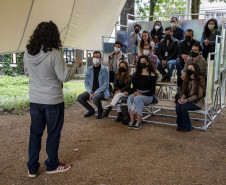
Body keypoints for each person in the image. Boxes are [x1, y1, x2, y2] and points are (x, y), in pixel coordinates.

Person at [24, 21, 82, 177]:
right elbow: (64, 76)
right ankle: (52, 165)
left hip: (35, 99)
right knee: (53, 133)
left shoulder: (27, 53)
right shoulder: (54, 54)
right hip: (52, 101)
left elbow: (27, 73)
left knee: (35, 133)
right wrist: (76, 66)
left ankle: (32, 167)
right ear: (53, 35)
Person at [77, 51, 110, 119]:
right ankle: (91, 110)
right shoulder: (89, 69)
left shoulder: (105, 69)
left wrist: (94, 93)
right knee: (80, 98)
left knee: (95, 97)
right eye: (94, 57)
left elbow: (106, 84)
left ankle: (100, 111)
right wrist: (90, 92)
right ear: (92, 58)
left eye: (97, 57)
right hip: (91, 91)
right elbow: (86, 83)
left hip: (102, 91)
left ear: (100, 58)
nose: (95, 58)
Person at [127, 55, 157, 129]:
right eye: (140, 62)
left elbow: (152, 91)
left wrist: (141, 94)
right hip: (137, 93)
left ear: (147, 63)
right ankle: (132, 120)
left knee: (138, 99)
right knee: (130, 97)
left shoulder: (152, 75)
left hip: (148, 96)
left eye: (144, 62)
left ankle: (139, 121)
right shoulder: (136, 74)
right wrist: (134, 92)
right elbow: (133, 87)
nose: (142, 63)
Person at [176, 63, 206, 132]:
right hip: (188, 100)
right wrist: (182, 99)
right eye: (188, 69)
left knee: (183, 106)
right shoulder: (187, 78)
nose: (189, 70)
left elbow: (199, 95)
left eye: (191, 69)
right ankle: (180, 125)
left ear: (195, 70)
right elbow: (184, 92)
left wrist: (187, 100)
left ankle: (187, 126)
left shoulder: (201, 79)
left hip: (197, 102)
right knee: (178, 105)